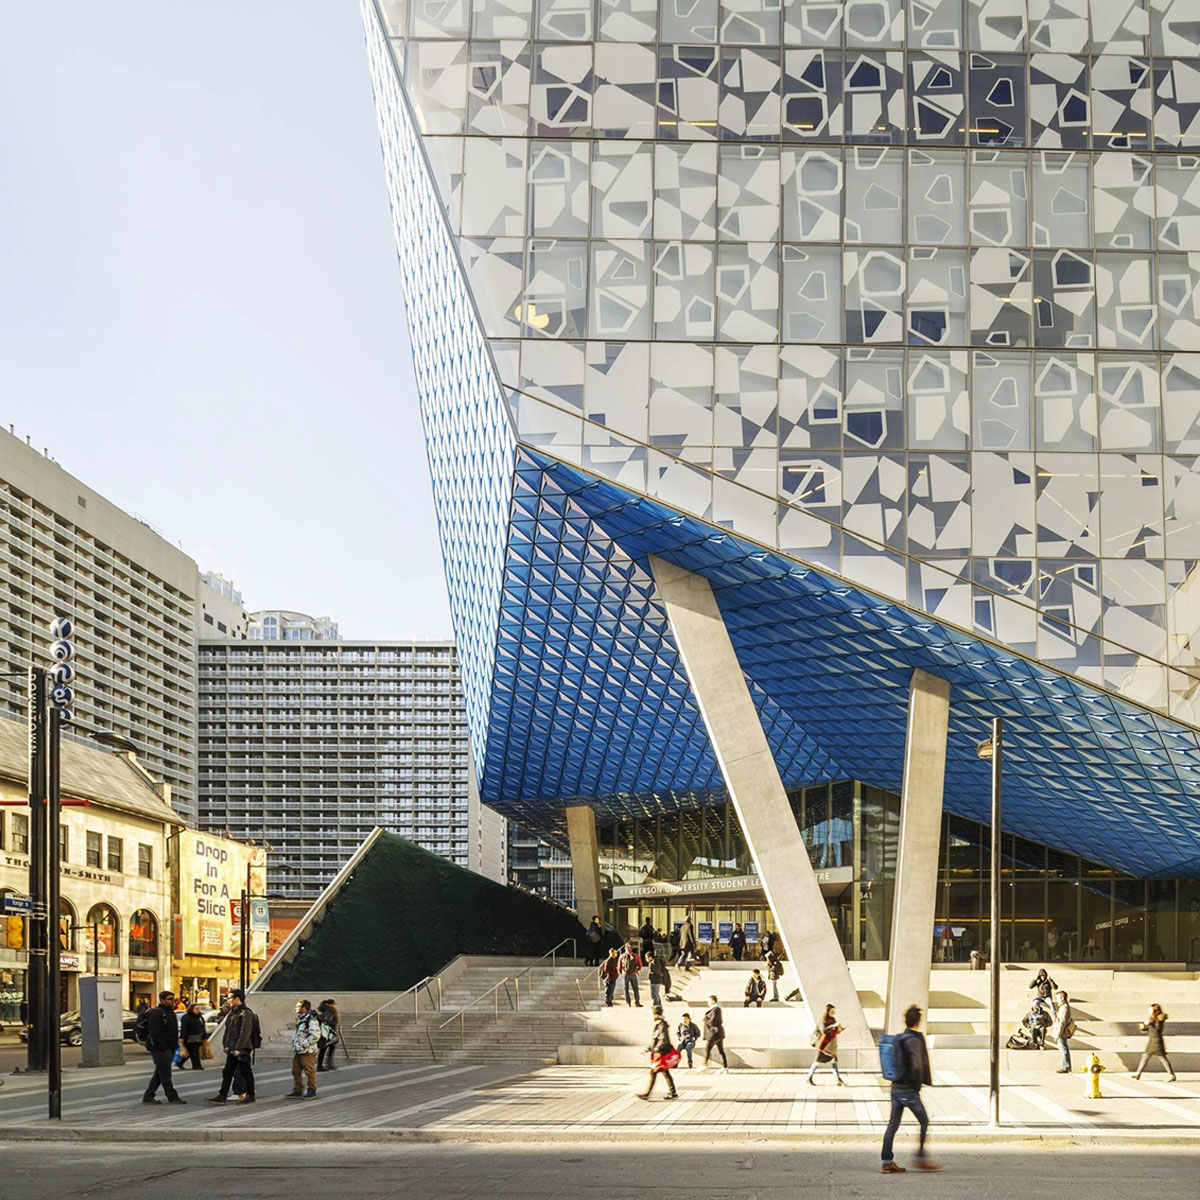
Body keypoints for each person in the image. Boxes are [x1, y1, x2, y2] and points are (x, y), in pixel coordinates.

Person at [881, 1005, 939, 1174]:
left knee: (893, 1124)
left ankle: (887, 1162)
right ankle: (920, 1158)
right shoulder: (914, 1039)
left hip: (895, 1088)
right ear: (918, 1022)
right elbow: (917, 1066)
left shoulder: (900, 1037)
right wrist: (916, 1086)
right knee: (924, 1120)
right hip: (908, 1090)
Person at [207, 988, 257, 1105]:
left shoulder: (246, 1013)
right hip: (232, 1048)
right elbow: (228, 1031)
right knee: (228, 1072)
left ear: (237, 999)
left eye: (229, 998)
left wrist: (238, 1049)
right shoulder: (233, 1013)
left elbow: (245, 1033)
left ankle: (250, 1095)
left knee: (246, 1071)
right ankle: (222, 1095)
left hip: (242, 1049)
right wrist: (226, 1045)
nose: (228, 1000)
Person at [141, 990, 185, 1105]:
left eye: (173, 999)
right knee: (165, 1073)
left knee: (160, 1072)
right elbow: (155, 1033)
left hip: (169, 1047)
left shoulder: (170, 1013)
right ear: (162, 1000)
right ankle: (172, 1096)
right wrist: (163, 1047)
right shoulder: (158, 1013)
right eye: (169, 999)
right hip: (160, 1048)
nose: (172, 1002)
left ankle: (149, 1095)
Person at [638, 1006, 678, 1100]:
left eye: (651, 1014)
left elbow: (664, 1040)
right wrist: (648, 1048)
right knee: (665, 1073)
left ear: (656, 1014)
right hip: (659, 1053)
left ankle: (647, 1094)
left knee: (653, 1072)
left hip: (661, 1054)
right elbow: (655, 1040)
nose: (650, 1016)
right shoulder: (658, 1025)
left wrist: (656, 1049)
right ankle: (673, 1092)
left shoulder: (662, 1026)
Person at [286, 999, 322, 1099]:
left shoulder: (311, 1020)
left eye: (298, 1007)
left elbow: (315, 1035)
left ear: (304, 1008)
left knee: (309, 1071)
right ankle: (298, 1089)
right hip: (299, 1050)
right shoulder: (301, 1019)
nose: (296, 1008)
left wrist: (304, 1045)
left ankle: (312, 1089)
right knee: (295, 1070)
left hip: (307, 1051)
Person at [1133, 1003, 1176, 1081]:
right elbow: (1150, 1029)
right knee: (1145, 1056)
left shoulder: (1159, 1019)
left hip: (1156, 1041)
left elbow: (1156, 1030)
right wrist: (1143, 1027)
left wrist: (1148, 1024)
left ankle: (1171, 1074)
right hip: (1152, 1040)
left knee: (1161, 1057)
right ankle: (1138, 1073)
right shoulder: (1153, 1018)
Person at [807, 1003, 844, 1086]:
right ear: (827, 1011)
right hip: (824, 1045)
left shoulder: (833, 1019)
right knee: (818, 1062)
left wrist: (840, 1029)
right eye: (832, 1011)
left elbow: (835, 1032)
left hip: (832, 1045)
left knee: (834, 1062)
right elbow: (824, 1031)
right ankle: (809, 1077)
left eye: (834, 1011)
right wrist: (833, 1026)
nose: (833, 1013)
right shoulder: (823, 1020)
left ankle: (838, 1079)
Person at [1028, 968, 1056, 1048]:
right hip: (1040, 997)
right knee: (1034, 1002)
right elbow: (1030, 986)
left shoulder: (1048, 982)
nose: (1042, 977)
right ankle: (1035, 1013)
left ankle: (1054, 1014)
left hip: (1047, 997)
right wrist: (1035, 980)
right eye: (1041, 976)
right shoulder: (1038, 981)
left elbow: (1055, 987)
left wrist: (1051, 981)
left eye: (1043, 976)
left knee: (1051, 1003)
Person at [1049, 989, 1074, 1074]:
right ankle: (1066, 1066)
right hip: (1061, 1032)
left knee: (1063, 1049)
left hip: (1062, 1032)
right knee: (1064, 1049)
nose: (1057, 1000)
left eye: (1058, 998)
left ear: (1062, 998)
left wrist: (1057, 1035)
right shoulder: (1063, 1007)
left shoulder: (1064, 1008)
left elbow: (1062, 1023)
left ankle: (1066, 1067)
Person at [178, 1001, 207, 1071]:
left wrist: (205, 1036)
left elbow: (203, 1027)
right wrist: (183, 1038)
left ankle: (180, 1063)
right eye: (196, 1008)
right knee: (194, 1052)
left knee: (191, 1052)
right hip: (190, 1038)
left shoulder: (200, 1017)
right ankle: (196, 1065)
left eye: (198, 1008)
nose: (198, 1010)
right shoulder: (186, 1017)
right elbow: (184, 1028)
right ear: (191, 1009)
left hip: (199, 1037)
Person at [703, 994, 729, 1071]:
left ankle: (705, 1064)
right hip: (717, 1033)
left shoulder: (716, 1009)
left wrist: (705, 1019)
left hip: (714, 1033)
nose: (708, 1002)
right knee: (720, 1050)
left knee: (707, 1049)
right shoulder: (715, 1009)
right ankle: (725, 1066)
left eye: (709, 1000)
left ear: (713, 1001)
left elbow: (712, 1021)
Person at [317, 999, 340, 1072]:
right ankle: (320, 1066)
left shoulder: (327, 1012)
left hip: (327, 1034)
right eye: (334, 1004)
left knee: (331, 1047)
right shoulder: (329, 1013)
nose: (336, 1005)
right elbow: (327, 1022)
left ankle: (328, 1064)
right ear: (330, 1004)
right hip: (327, 1034)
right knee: (324, 1049)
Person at [619, 941, 643, 1007]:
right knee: (635, 989)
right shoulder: (636, 956)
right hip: (633, 974)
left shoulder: (622, 956)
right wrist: (637, 970)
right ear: (631, 948)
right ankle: (637, 1002)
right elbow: (640, 965)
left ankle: (628, 1003)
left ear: (625, 949)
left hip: (625, 975)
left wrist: (622, 973)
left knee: (626, 989)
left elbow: (619, 967)